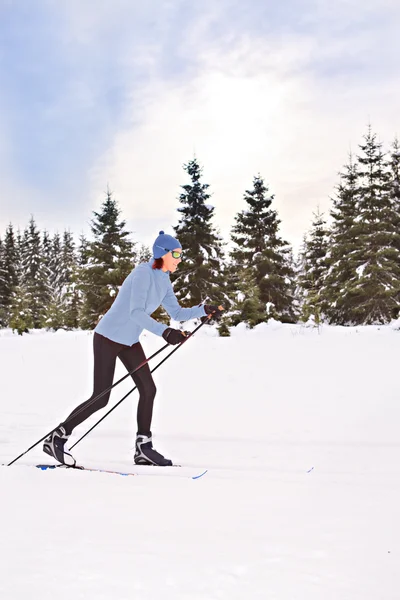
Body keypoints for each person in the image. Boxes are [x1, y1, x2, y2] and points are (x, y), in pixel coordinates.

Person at [43, 231, 223, 467]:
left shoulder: (164, 280)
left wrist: (204, 309)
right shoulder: (142, 274)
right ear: (163, 253)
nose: (179, 259)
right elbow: (135, 313)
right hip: (107, 337)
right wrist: (165, 332)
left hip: (129, 341)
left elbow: (177, 313)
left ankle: (143, 448)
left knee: (148, 389)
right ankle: (57, 436)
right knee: (101, 398)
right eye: (176, 254)